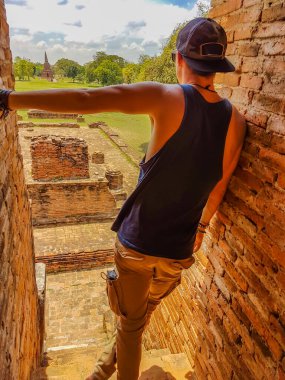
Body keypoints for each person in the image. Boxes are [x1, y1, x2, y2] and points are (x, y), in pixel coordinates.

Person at [1, 17, 246, 380]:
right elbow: (219, 187)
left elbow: (90, 98)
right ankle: (100, 374)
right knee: (136, 319)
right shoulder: (236, 120)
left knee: (130, 326)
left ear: (179, 59)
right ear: (217, 67)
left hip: (138, 246)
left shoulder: (166, 98)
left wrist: (9, 99)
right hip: (179, 252)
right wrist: (201, 231)